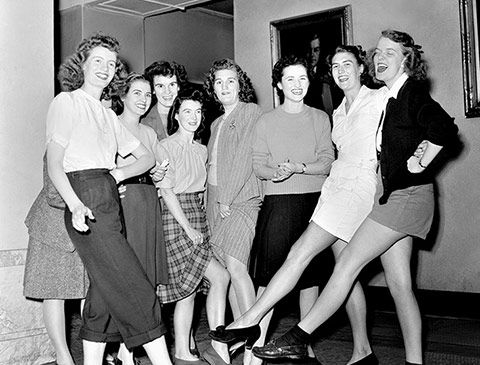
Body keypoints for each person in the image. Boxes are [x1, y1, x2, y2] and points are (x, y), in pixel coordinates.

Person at [212, 30, 458, 365]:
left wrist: (420, 161)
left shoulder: (381, 97)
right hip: (344, 190)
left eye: (348, 64)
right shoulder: (338, 112)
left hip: (368, 193)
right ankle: (363, 351)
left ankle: (260, 324)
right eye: (335, 66)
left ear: (361, 68)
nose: (341, 71)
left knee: (330, 264)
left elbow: (424, 129)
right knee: (384, 281)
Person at [46, 33, 173, 365]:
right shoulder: (67, 102)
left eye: (111, 64)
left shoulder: (106, 115)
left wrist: (115, 175)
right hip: (83, 196)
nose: (104, 68)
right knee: (135, 285)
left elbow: (145, 158)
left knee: (104, 290)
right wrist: (75, 204)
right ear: (83, 64)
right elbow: (54, 163)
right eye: (97, 61)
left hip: (107, 193)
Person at [241, 54, 335, 365]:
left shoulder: (320, 118)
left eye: (302, 78)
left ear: (309, 82)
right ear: (279, 85)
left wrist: (299, 167)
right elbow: (258, 165)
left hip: (315, 204)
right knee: (270, 280)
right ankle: (253, 355)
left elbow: (327, 161)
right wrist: (276, 173)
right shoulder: (265, 121)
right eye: (290, 79)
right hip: (278, 204)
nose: (297, 85)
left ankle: (303, 348)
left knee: (310, 279)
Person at [156, 89, 231, 365]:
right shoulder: (165, 146)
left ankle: (202, 347)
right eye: (186, 111)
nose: (193, 116)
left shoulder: (201, 149)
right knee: (202, 283)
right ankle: (186, 351)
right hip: (175, 218)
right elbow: (167, 192)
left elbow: (202, 192)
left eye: (197, 111)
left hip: (196, 215)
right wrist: (188, 228)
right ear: (176, 115)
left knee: (195, 288)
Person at [203, 58, 263, 365]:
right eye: (219, 82)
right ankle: (240, 335)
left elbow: (244, 159)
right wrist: (212, 203)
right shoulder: (215, 123)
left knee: (238, 270)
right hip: (215, 204)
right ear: (213, 89)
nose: (225, 87)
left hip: (240, 200)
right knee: (227, 272)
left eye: (231, 81)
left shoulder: (250, 112)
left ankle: (256, 343)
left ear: (241, 86)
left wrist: (226, 198)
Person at [111, 73, 170, 365]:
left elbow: (156, 169)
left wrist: (157, 173)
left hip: (148, 203)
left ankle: (125, 352)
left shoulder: (149, 132)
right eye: (137, 93)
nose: (144, 99)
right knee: (128, 277)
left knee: (146, 278)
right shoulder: (111, 125)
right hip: (125, 204)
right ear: (123, 96)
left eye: (148, 94)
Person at [23, 156, 88, 365]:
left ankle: (95, 354)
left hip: (83, 227)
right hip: (51, 229)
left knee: (92, 293)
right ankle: (63, 358)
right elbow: (54, 194)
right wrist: (96, 199)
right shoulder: (59, 141)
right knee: (54, 293)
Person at [143, 60, 188, 141]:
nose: (167, 91)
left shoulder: (191, 114)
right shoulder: (145, 123)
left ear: (178, 86)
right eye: (160, 86)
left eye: (172, 84)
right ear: (153, 89)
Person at [304, 33, 343, 115]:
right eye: (309, 50)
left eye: (316, 50)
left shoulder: (328, 76)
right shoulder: (300, 75)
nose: (312, 54)